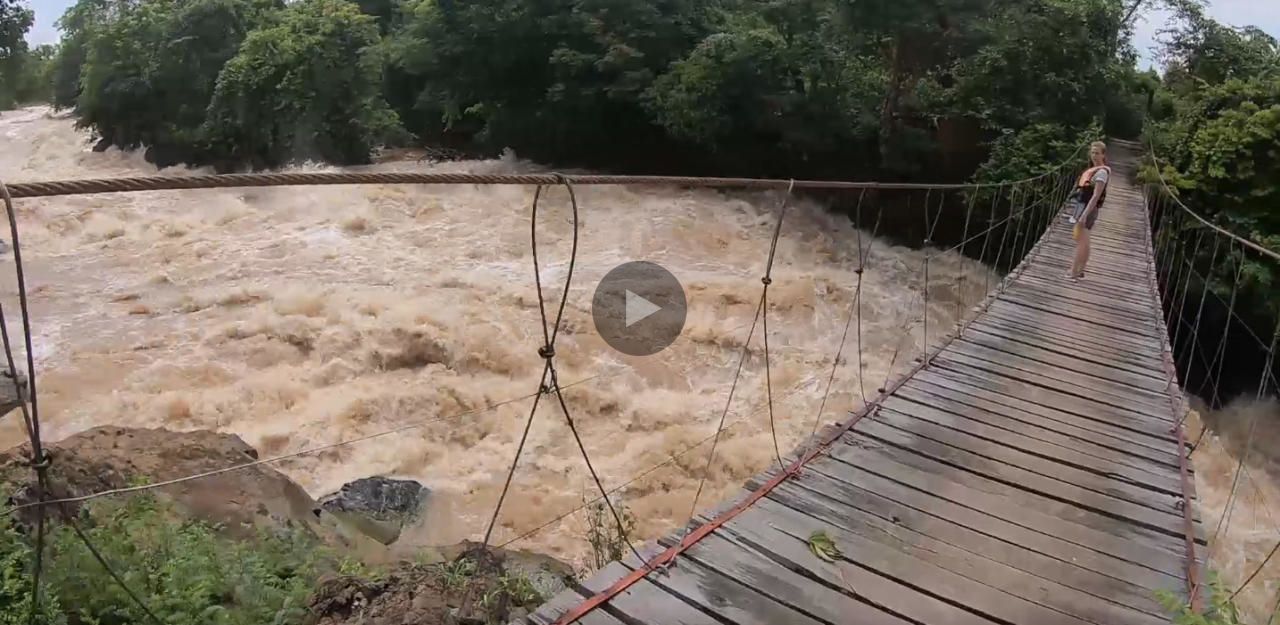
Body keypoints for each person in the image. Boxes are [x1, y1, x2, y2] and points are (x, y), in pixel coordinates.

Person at [1067, 141, 1110, 281]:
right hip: (1084, 208)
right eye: (1092, 152)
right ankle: (1079, 271)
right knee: (1084, 241)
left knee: (1081, 242)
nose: (1094, 156)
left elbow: (1096, 196)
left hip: (1088, 210)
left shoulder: (1102, 173)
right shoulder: (1095, 170)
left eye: (1097, 153)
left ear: (1103, 154)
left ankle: (1073, 272)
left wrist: (1084, 215)